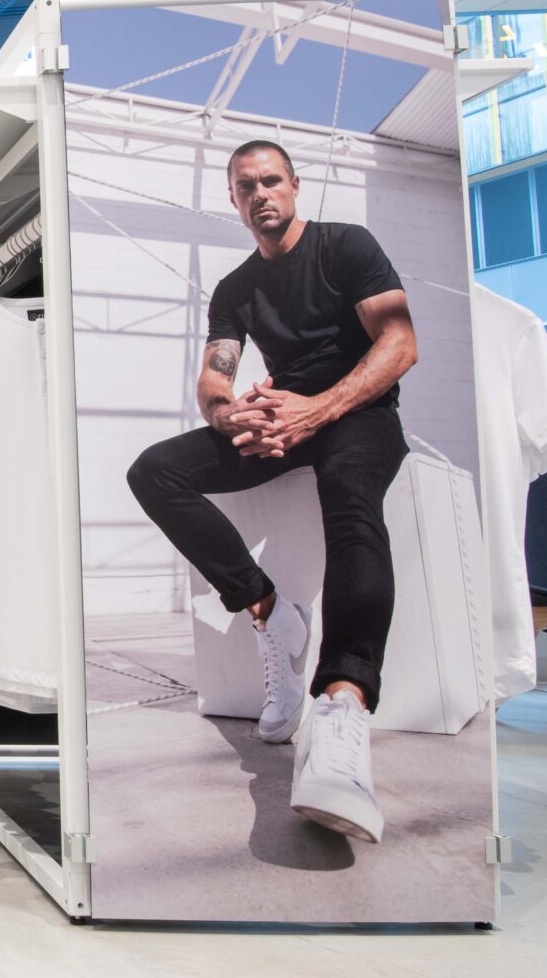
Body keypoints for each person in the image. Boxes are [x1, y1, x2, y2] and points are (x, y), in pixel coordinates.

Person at [123, 140, 418, 845]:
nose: (261, 194)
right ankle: (267, 609)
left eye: (272, 181)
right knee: (154, 471)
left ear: (294, 185)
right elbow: (214, 380)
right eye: (245, 186)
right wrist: (237, 417)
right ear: (232, 200)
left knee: (350, 501)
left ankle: (343, 705)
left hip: (359, 415)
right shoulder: (234, 289)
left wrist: (320, 408)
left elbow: (400, 342)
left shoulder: (347, 247)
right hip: (285, 419)